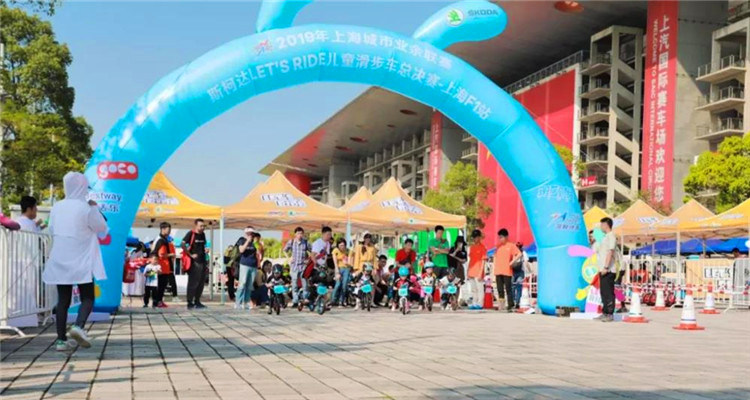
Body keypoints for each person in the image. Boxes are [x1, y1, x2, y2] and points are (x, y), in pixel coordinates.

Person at [42, 172, 108, 352]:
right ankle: (78, 326)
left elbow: (52, 228)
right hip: (81, 259)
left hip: (60, 258)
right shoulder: (86, 207)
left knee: (63, 300)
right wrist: (94, 208)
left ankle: (61, 341)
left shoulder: (57, 207)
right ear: (83, 186)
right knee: (88, 297)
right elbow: (101, 227)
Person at [181, 218, 209, 310]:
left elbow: (204, 245)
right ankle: (190, 302)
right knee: (193, 283)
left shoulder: (203, 234)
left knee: (201, 283)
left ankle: (197, 301)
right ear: (196, 226)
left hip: (203, 261)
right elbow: (182, 244)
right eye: (201, 226)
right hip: (194, 263)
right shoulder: (191, 233)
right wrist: (190, 254)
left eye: (203, 226)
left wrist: (206, 249)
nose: (202, 228)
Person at [493, 228, 521, 312]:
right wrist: (494, 268)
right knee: (500, 289)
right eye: (499, 237)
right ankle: (501, 306)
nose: (500, 239)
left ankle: (510, 305)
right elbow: (495, 257)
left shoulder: (511, 245)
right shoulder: (498, 246)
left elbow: (519, 254)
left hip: (507, 271)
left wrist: (512, 262)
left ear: (506, 237)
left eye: (501, 237)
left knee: (508, 289)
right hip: (498, 270)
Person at [283, 226, 312, 307]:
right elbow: (284, 250)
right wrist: (289, 258)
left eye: (301, 233)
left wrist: (308, 259)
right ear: (295, 234)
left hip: (303, 266)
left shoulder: (305, 242)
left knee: (305, 284)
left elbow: (312, 251)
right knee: (294, 284)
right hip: (294, 266)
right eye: (298, 233)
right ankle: (295, 301)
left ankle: (305, 299)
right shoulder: (291, 242)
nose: (300, 235)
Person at [597, 217, 618, 322]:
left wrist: (606, 267)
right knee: (604, 292)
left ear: (606, 225)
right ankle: (604, 312)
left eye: (602, 224)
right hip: (602, 269)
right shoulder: (605, 237)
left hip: (608, 270)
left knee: (608, 292)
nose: (600, 227)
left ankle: (609, 314)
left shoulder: (611, 236)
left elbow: (610, 252)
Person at [235, 226, 259, 310]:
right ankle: (238, 302)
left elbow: (258, 253)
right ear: (246, 233)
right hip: (244, 264)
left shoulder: (254, 242)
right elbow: (241, 250)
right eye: (249, 233)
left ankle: (246, 302)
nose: (251, 235)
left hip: (253, 265)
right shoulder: (241, 240)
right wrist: (247, 241)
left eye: (252, 233)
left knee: (249, 285)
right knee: (242, 283)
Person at [151, 222, 175, 308]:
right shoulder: (161, 240)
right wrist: (171, 254)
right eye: (168, 230)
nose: (169, 231)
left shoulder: (159, 239)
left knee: (159, 285)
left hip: (159, 266)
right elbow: (162, 254)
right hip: (162, 266)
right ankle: (158, 302)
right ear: (163, 229)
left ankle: (157, 302)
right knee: (161, 285)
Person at [467, 229, 487, 309]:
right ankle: (474, 303)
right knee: (473, 289)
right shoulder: (472, 247)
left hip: (478, 271)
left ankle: (480, 304)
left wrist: (480, 273)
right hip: (471, 270)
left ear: (479, 237)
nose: (475, 239)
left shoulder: (483, 247)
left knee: (480, 289)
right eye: (474, 237)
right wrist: (468, 271)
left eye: (477, 237)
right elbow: (470, 259)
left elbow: (483, 261)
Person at [331, 238, 351, 307]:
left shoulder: (348, 251)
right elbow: (335, 262)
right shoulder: (335, 251)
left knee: (344, 285)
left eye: (343, 245)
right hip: (338, 268)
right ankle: (332, 300)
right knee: (338, 284)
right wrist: (337, 272)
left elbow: (350, 262)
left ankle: (341, 301)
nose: (342, 247)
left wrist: (347, 263)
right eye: (340, 245)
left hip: (346, 269)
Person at [511, 242, 528, 309]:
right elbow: (526, 263)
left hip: (513, 272)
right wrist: (530, 270)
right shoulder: (524, 253)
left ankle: (512, 302)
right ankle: (517, 303)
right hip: (521, 272)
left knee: (512, 287)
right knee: (518, 287)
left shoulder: (513, 252)